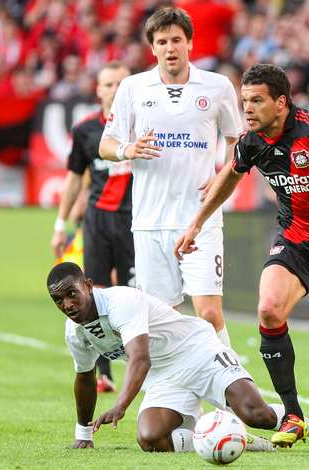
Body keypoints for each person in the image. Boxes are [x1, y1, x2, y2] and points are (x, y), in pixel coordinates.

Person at [174, 64, 309, 447]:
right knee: (269, 309)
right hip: (296, 240)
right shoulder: (252, 141)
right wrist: (196, 223)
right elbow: (232, 171)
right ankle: (293, 415)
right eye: (244, 101)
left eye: (256, 100)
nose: (247, 108)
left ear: (281, 103)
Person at [98, 7, 241, 347]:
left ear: (190, 43)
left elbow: (237, 140)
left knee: (208, 313)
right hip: (150, 221)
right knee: (163, 317)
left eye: (176, 40)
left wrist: (223, 174)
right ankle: (177, 397)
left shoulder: (218, 86)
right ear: (153, 48)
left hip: (200, 218)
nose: (170, 48)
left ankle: (231, 392)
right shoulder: (133, 87)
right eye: (162, 41)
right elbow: (106, 144)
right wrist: (127, 150)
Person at [46, 262, 282, 452]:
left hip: (198, 352)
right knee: (150, 439)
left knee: (257, 415)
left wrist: (120, 405)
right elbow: (85, 377)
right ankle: (229, 436)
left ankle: (308, 425)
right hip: (164, 376)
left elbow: (140, 359)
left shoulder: (121, 302)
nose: (67, 305)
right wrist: (83, 435)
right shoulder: (74, 332)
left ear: (88, 286)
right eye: (58, 300)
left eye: (72, 294)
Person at [51, 62, 133, 394]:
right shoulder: (85, 130)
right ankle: (104, 372)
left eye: (121, 84)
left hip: (135, 221)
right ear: (98, 90)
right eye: (109, 84)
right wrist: (60, 223)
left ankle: (142, 365)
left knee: (135, 294)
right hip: (97, 221)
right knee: (92, 294)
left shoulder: (144, 125)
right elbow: (73, 179)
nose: (115, 90)